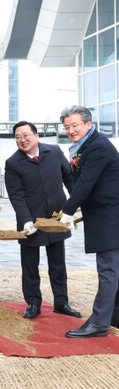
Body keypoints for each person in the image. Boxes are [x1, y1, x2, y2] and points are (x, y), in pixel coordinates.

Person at [4, 120, 81, 320]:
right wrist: (26, 220)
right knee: (30, 264)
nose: (22, 140)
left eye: (26, 135)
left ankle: (61, 302)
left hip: (56, 217)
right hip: (30, 220)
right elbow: (16, 195)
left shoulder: (54, 151)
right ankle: (33, 303)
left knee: (58, 263)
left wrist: (75, 203)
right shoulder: (13, 163)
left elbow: (69, 178)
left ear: (36, 136)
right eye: (18, 137)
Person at [57, 106, 119, 338]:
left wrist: (68, 210)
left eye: (75, 125)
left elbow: (86, 182)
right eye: (67, 127)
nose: (71, 130)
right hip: (106, 214)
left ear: (88, 124)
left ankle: (99, 322)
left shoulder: (98, 146)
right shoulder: (86, 145)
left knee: (108, 270)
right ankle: (114, 316)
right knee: (115, 270)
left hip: (110, 216)